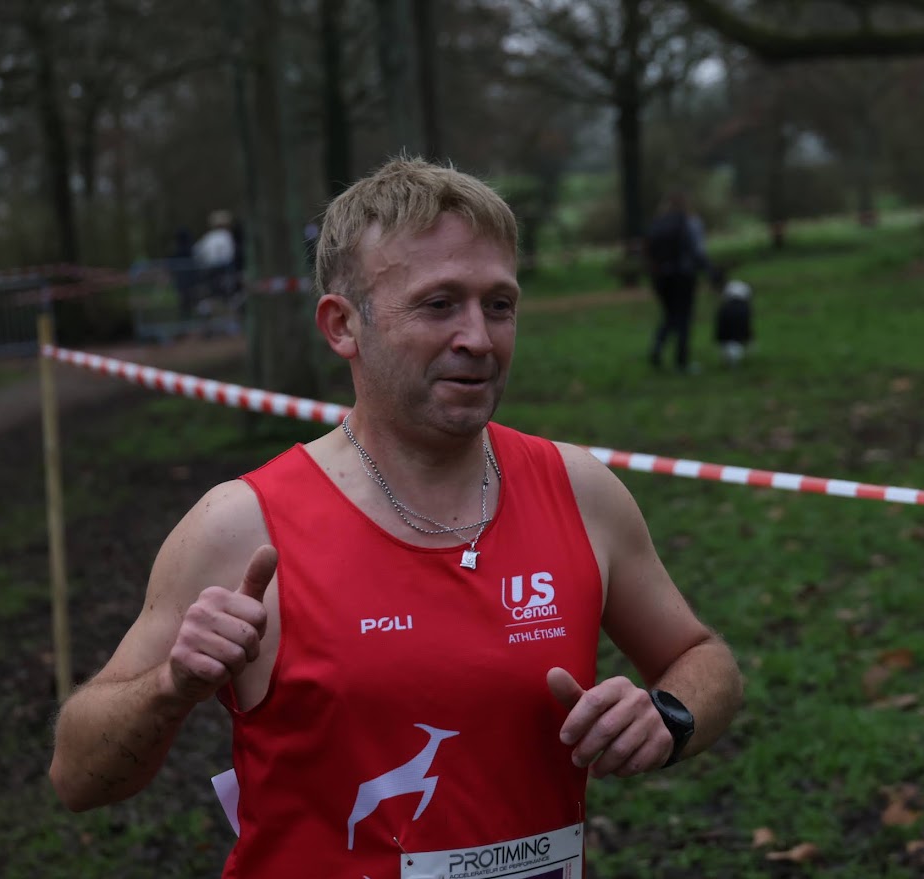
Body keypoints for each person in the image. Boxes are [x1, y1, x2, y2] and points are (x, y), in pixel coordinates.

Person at [49, 158, 743, 877]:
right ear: (342, 325)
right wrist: (169, 687)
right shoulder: (242, 528)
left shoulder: (580, 491)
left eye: (498, 305)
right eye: (439, 304)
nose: (478, 337)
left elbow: (703, 657)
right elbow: (77, 776)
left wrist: (669, 717)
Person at [644, 192, 711, 372]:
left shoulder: (657, 223)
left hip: (660, 278)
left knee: (669, 315)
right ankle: (682, 361)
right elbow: (698, 251)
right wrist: (709, 271)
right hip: (683, 276)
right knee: (684, 317)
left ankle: (657, 346)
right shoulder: (691, 222)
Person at [193, 209, 236, 308]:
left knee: (214, 291)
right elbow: (229, 254)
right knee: (223, 293)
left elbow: (197, 251)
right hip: (223, 268)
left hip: (209, 268)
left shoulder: (209, 236)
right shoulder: (226, 236)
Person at [714, 271, 754, 367]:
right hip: (741, 309)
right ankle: (733, 357)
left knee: (727, 334)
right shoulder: (741, 286)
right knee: (738, 334)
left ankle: (730, 358)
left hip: (729, 309)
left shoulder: (728, 288)